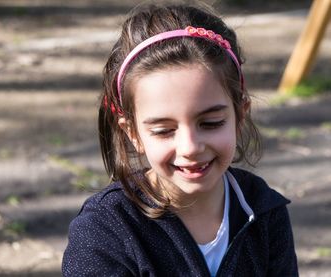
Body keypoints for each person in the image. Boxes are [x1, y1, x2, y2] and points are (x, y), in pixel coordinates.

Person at [62, 1, 298, 276]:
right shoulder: (106, 228)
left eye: (211, 123)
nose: (190, 147)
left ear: (240, 115)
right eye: (164, 130)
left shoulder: (263, 210)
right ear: (133, 133)